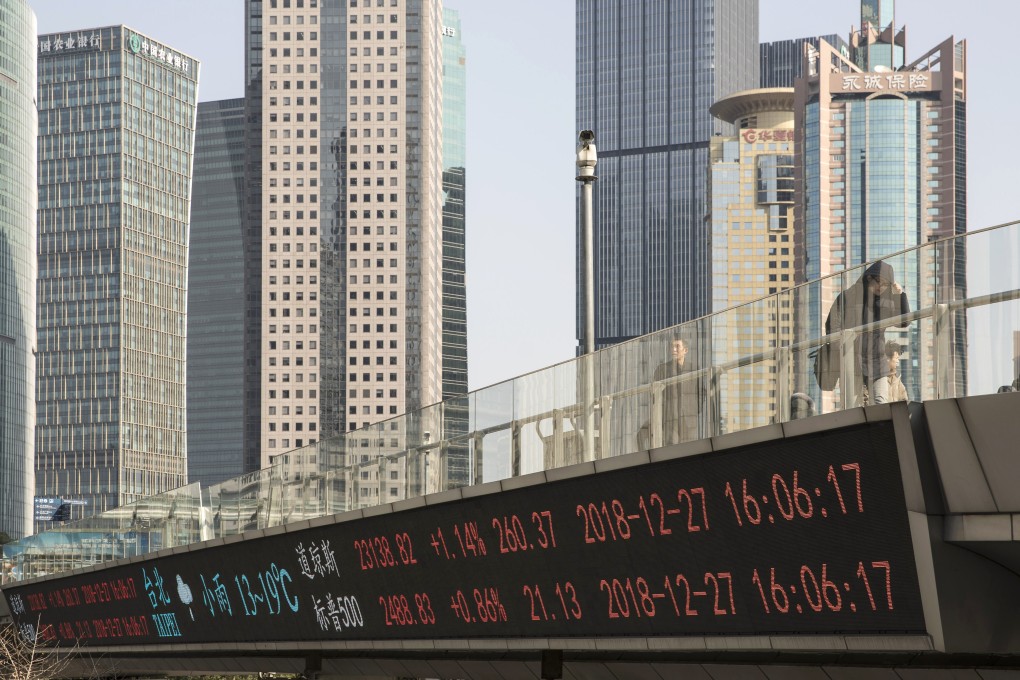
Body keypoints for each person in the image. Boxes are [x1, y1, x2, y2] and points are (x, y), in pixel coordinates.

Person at [815, 260, 911, 405]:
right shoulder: (847, 297)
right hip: (851, 361)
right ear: (869, 278)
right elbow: (832, 326)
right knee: (850, 407)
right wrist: (842, 348)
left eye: (886, 284)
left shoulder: (885, 302)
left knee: (881, 403)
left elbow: (904, 321)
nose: (881, 287)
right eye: (878, 281)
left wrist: (900, 295)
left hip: (877, 361)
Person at [653, 337, 702, 445]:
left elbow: (702, 392)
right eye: (672, 347)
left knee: (690, 449)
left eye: (677, 346)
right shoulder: (662, 369)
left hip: (689, 419)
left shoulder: (694, 369)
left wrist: (695, 409)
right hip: (670, 419)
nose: (673, 350)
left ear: (685, 350)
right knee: (672, 448)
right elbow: (655, 395)